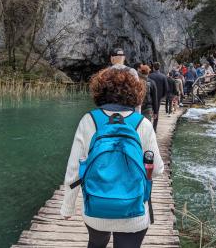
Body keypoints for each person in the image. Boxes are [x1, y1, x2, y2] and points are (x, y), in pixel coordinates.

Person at [60, 68, 164, 248]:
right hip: (134, 211)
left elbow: (74, 168)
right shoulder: (143, 124)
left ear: (99, 92)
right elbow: (157, 170)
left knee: (96, 243)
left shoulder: (88, 120)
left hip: (96, 210)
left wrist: (68, 207)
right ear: (135, 93)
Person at [149, 62, 168, 131]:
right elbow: (166, 88)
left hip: (150, 96)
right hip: (158, 97)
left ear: (153, 67)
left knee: (149, 111)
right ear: (159, 67)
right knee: (156, 112)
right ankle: (154, 128)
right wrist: (162, 97)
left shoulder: (150, 76)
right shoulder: (163, 76)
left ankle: (148, 127)